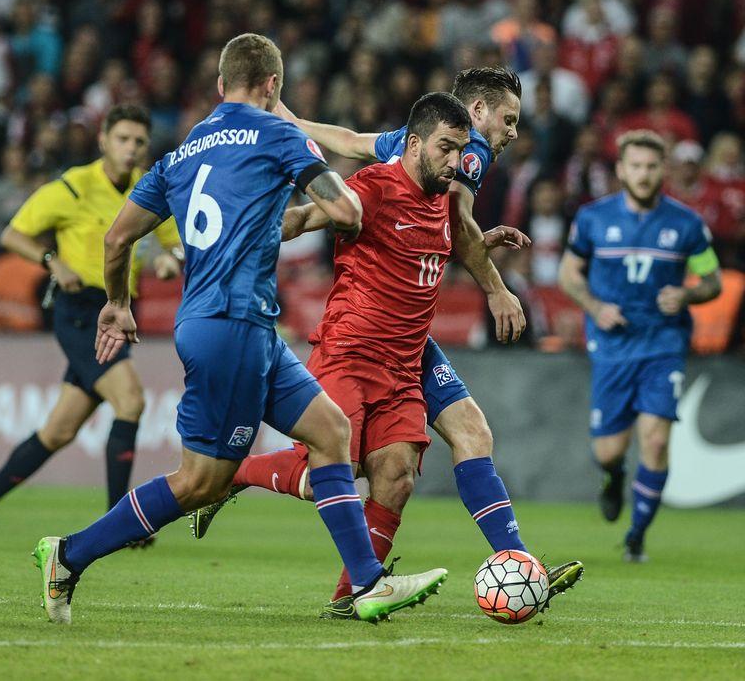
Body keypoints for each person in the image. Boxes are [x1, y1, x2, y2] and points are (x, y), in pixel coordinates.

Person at [31, 33, 447, 625]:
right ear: (273, 85)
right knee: (200, 482)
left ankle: (366, 583)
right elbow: (347, 210)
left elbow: (117, 238)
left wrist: (118, 304)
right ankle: (69, 554)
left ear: (221, 84)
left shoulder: (180, 154)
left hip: (233, 324)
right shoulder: (279, 134)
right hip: (232, 323)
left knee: (330, 431)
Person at [193, 68, 583, 616]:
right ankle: (232, 474)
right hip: (359, 341)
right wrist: (496, 287)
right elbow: (443, 222)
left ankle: (501, 566)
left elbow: (356, 145)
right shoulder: (463, 156)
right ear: (474, 113)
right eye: (509, 119)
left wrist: (286, 117)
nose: (513, 132)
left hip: (409, 342)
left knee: (422, 459)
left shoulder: (420, 147)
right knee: (332, 471)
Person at [0, 105, 183, 548]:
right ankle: (123, 522)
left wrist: (170, 261)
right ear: (103, 140)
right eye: (123, 139)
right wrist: (52, 261)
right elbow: (13, 233)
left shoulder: (149, 188)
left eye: (138, 141)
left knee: (58, 431)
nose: (131, 148)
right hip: (80, 311)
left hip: (117, 309)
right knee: (131, 401)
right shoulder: (73, 186)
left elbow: (173, 246)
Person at [558, 130, 722, 562]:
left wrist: (687, 294)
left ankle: (636, 536)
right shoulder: (592, 218)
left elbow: (713, 281)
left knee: (656, 441)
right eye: (636, 166)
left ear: (662, 170)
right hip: (612, 346)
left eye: (651, 166)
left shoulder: (687, 224)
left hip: (663, 344)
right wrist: (595, 306)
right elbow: (568, 274)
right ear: (621, 169)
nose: (644, 174)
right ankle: (614, 477)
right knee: (609, 451)